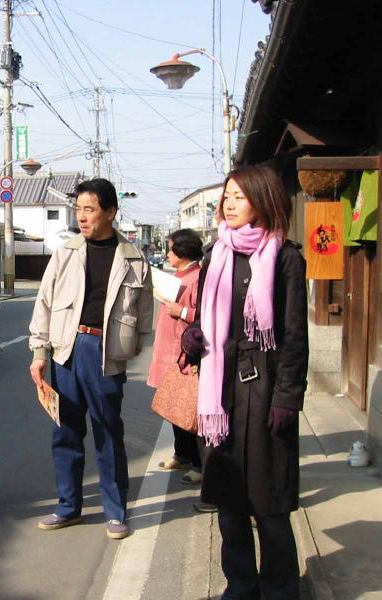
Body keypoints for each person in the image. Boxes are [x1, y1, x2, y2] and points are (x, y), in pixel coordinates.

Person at [183, 165, 308, 599]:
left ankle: (279, 588)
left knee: (269, 502)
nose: (228, 204)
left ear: (263, 199)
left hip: (266, 389)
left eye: (238, 196)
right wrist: (192, 336)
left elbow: (294, 337)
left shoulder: (285, 257)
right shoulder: (216, 255)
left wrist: (287, 398)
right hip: (220, 395)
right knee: (230, 502)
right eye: (226, 196)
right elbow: (201, 319)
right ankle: (240, 585)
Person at [28, 178, 153, 539]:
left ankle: (116, 511)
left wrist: (129, 349)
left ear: (110, 212)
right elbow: (45, 303)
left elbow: (144, 313)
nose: (82, 217)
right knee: (65, 430)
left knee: (108, 431)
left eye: (90, 209)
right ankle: (68, 506)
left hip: (105, 353)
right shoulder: (66, 252)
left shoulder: (132, 258)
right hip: (67, 348)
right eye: (78, 209)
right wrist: (40, 352)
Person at [147, 229, 207, 484]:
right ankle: (182, 453)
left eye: (170, 249)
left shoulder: (198, 277)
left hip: (185, 353)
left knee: (188, 407)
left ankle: (198, 461)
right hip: (168, 349)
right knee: (173, 404)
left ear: (183, 252)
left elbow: (206, 315)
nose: (167, 254)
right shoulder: (179, 276)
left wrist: (182, 310)